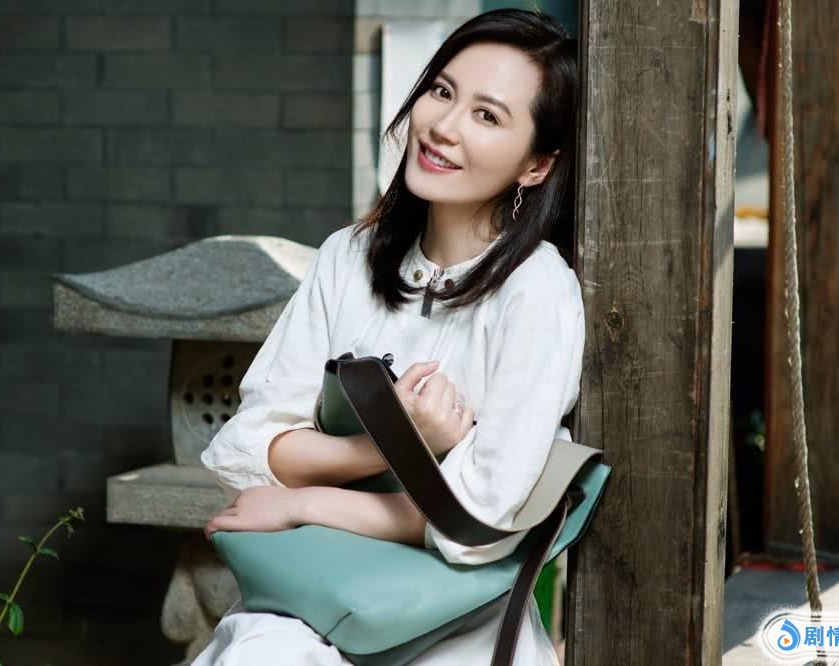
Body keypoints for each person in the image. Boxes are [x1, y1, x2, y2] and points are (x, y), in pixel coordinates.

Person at [193, 8, 582, 665]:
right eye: (442, 91)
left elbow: (481, 521)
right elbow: (252, 448)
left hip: (453, 616)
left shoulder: (536, 290)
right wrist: (395, 443)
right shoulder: (348, 257)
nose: (444, 126)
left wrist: (302, 503)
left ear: (537, 166)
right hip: (309, 595)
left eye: (487, 116)